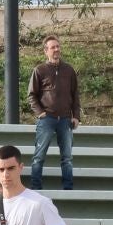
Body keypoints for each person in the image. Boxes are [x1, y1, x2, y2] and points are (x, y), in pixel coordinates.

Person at [28, 36, 81, 191]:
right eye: (53, 47)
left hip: (65, 119)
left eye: (58, 46)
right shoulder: (39, 70)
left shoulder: (69, 70)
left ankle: (68, 188)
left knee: (67, 158)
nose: (57, 49)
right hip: (47, 119)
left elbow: (75, 94)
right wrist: (40, 113)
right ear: (46, 51)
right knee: (39, 157)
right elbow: (31, 95)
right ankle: (36, 188)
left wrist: (76, 116)